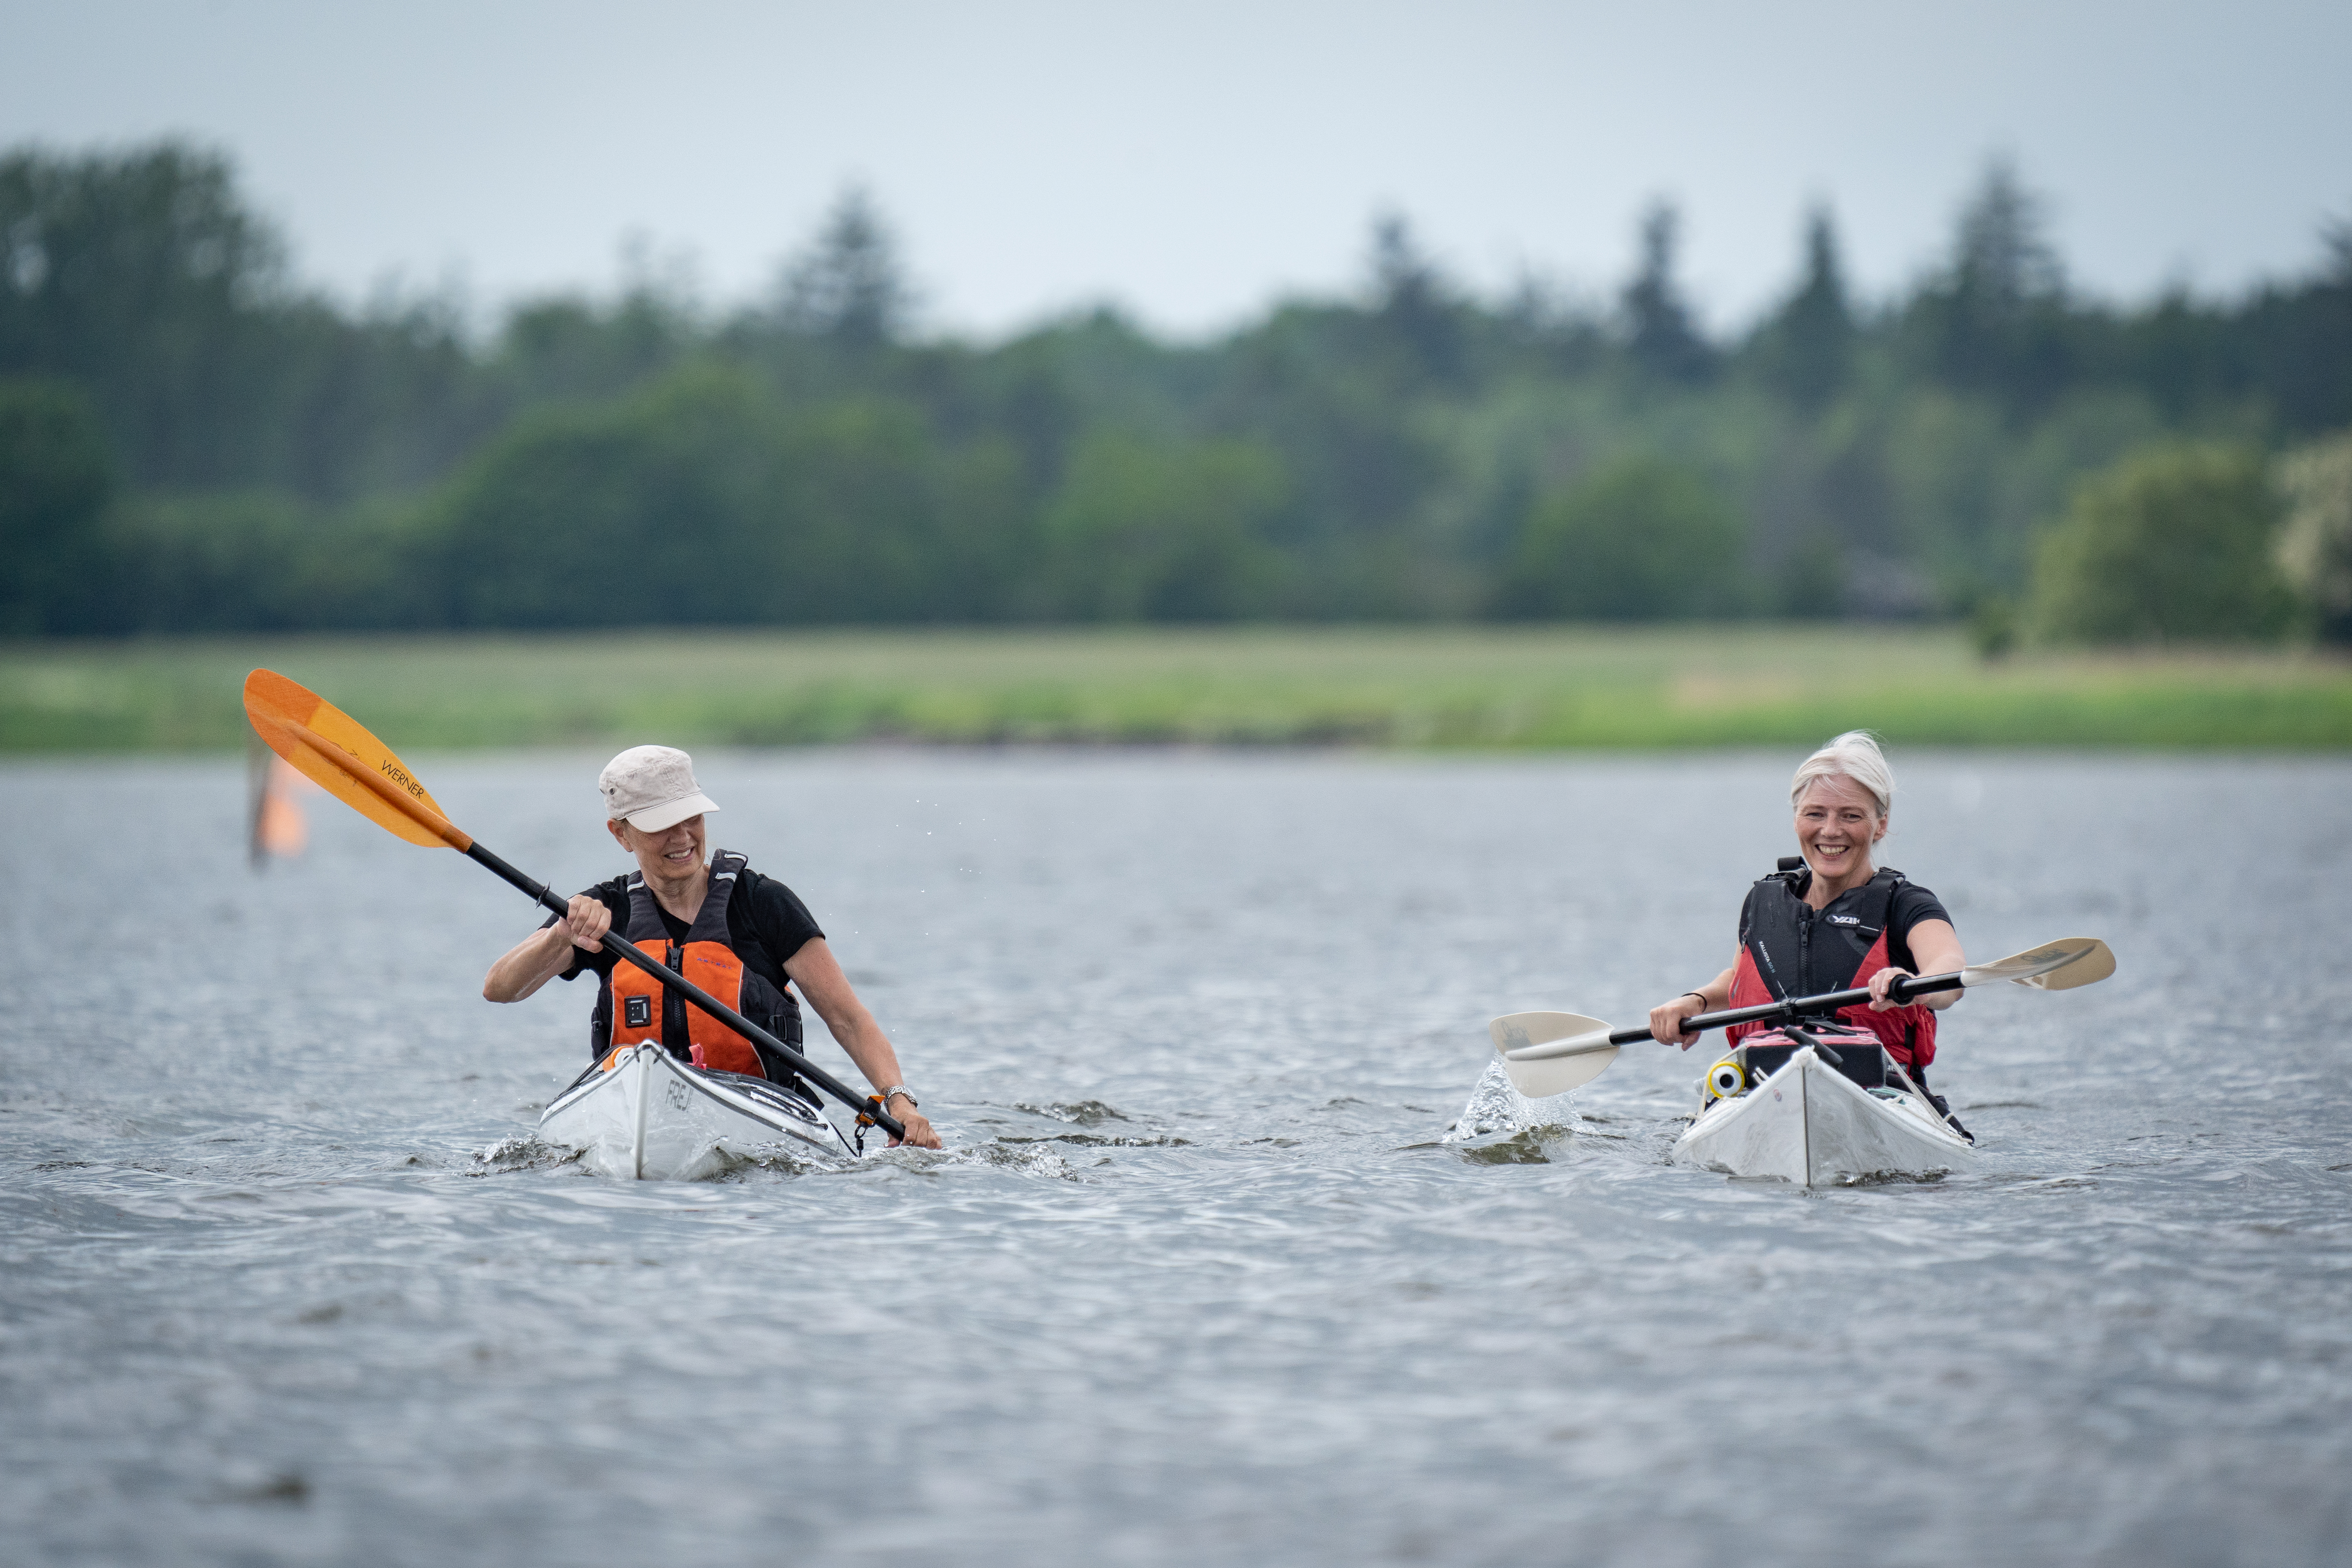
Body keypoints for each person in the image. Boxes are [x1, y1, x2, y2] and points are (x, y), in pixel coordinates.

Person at [482, 744, 941, 1149]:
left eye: (692, 818)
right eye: (661, 824)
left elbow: (847, 1017)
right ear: (620, 833)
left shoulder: (764, 903)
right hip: (636, 1108)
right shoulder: (602, 912)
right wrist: (563, 934)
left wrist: (899, 1101)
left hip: (761, 1109)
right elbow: (500, 988)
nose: (682, 837)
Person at [1646, 731, 1966, 1111]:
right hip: (1763, 1090)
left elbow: (1950, 972)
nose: (1830, 830)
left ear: (1880, 824)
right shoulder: (1762, 903)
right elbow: (1743, 979)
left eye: (1851, 816)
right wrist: (1696, 1002)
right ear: (1797, 818)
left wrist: (1912, 985)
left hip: (1883, 1095)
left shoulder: (1907, 904)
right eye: (1815, 814)